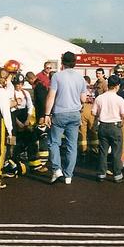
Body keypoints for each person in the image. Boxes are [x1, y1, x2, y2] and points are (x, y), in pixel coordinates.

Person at [44, 51, 86, 185]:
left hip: (60, 113)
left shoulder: (57, 76)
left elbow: (51, 96)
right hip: (75, 113)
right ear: (75, 62)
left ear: (62, 62)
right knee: (72, 145)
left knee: (54, 142)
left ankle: (57, 169)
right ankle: (69, 175)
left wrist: (46, 114)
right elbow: (83, 98)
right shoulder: (81, 78)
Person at [92, 74, 124, 183]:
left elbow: (93, 112)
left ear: (108, 85)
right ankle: (117, 175)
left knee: (103, 151)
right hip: (115, 126)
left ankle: (101, 174)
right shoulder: (119, 99)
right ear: (117, 86)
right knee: (116, 152)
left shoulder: (99, 98)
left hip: (102, 126)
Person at [10, 73, 47, 174]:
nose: (19, 86)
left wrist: (27, 119)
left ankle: (35, 164)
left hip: (25, 118)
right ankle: (14, 162)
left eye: (21, 84)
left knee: (32, 140)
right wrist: (18, 123)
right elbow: (10, 109)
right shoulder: (10, 93)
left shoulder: (25, 93)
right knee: (16, 143)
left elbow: (30, 106)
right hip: (15, 119)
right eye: (17, 84)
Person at [79, 75, 98, 159]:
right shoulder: (94, 88)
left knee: (82, 131)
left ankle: (83, 150)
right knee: (93, 130)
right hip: (92, 109)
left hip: (83, 108)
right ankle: (94, 149)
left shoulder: (80, 88)